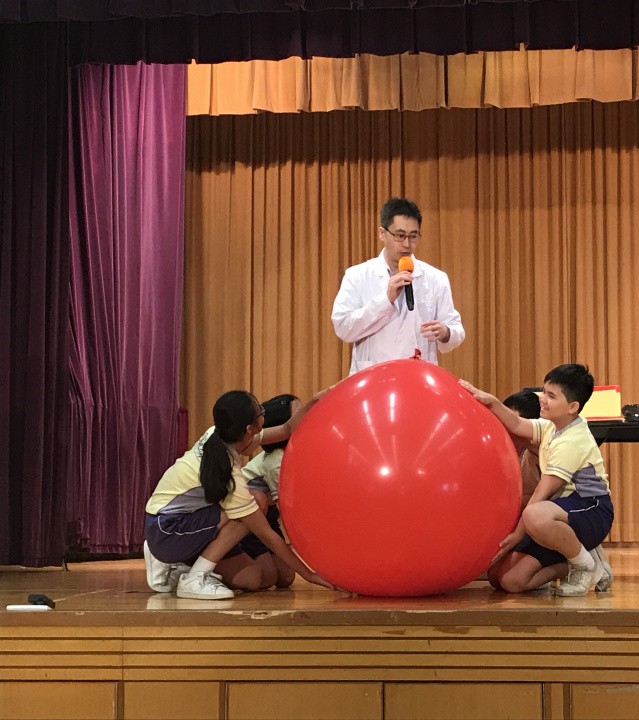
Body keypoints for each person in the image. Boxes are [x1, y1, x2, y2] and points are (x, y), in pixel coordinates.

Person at [143, 389, 334, 600]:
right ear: (250, 428)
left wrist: (316, 399)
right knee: (256, 501)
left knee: (253, 579)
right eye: (261, 412)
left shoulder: (221, 435)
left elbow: (286, 429)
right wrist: (309, 575)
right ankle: (195, 578)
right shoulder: (230, 475)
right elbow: (266, 534)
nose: (264, 413)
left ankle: (184, 566)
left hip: (189, 521)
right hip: (166, 529)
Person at [460, 364, 614, 596]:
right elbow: (516, 424)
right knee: (505, 580)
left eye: (551, 396)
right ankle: (583, 562)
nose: (542, 399)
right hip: (557, 513)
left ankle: (585, 566)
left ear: (573, 407)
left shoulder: (573, 440)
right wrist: (491, 401)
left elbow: (542, 493)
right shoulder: (552, 426)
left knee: (534, 514)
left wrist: (517, 535)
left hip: (591, 509)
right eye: (543, 391)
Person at [331, 197, 465, 375]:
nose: (407, 244)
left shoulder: (436, 279)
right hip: (372, 377)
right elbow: (343, 328)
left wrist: (446, 332)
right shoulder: (357, 275)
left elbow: (456, 330)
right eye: (400, 236)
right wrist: (385, 300)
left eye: (413, 236)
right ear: (382, 233)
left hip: (418, 377)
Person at [237, 394, 300, 589]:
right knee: (266, 578)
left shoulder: (294, 453)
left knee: (286, 578)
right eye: (300, 413)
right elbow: (286, 506)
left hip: (268, 517)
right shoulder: (277, 461)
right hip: (247, 520)